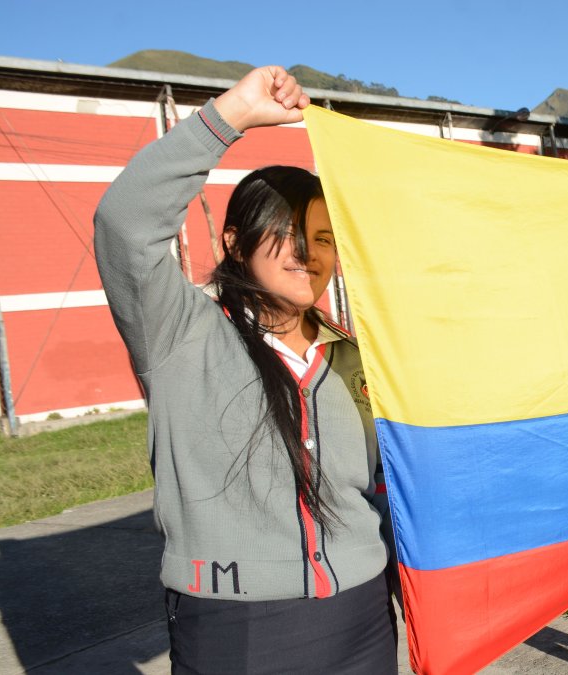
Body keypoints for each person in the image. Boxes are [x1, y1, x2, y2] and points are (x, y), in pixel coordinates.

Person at [94, 67, 397, 672]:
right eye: (283, 233)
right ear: (234, 241)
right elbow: (124, 226)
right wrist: (228, 115)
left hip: (364, 618)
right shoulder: (180, 335)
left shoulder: (354, 357)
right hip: (240, 629)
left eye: (322, 237)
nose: (306, 252)